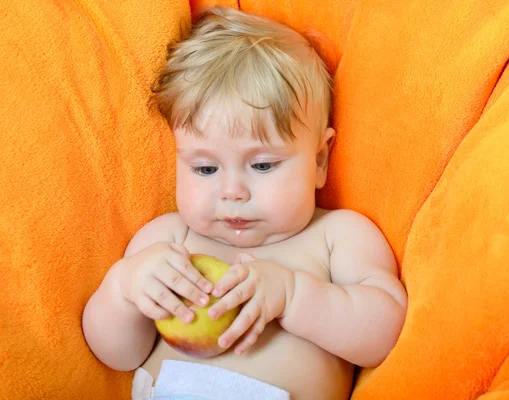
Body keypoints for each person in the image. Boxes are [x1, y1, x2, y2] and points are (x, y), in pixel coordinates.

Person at [82, 6, 407, 400]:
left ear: (320, 159)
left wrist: (293, 295)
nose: (232, 191)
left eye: (263, 164)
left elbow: (385, 336)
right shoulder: (169, 239)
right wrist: (126, 288)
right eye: (204, 169)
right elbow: (117, 355)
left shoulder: (338, 236)